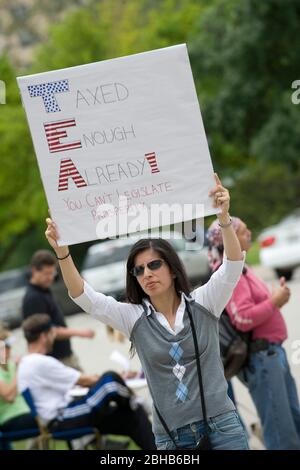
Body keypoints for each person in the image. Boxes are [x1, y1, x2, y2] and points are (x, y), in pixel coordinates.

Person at [44, 173, 249, 450]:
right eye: (138, 270)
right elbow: (85, 297)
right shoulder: (134, 318)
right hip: (171, 437)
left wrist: (224, 218)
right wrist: (63, 253)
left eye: (154, 265)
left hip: (222, 427)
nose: (146, 274)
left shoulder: (204, 302)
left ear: (173, 269)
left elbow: (232, 265)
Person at [207, 216, 300, 450]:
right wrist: (275, 301)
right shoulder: (230, 273)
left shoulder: (243, 268)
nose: (249, 235)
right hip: (262, 359)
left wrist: (274, 297)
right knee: (281, 434)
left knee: (291, 424)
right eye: (243, 232)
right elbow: (243, 317)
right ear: (229, 239)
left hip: (271, 354)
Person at [17, 313, 155, 450]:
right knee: (110, 380)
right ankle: (134, 401)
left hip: (61, 418)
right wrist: (120, 377)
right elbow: (84, 380)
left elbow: (80, 382)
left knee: (131, 417)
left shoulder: (26, 364)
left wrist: (120, 377)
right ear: (44, 336)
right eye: (52, 334)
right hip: (63, 419)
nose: (54, 338)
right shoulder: (40, 362)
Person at [22, 249, 95, 370]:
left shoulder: (44, 291)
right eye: (46, 274)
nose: (50, 278)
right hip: (55, 360)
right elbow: (47, 330)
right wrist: (80, 332)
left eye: (52, 273)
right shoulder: (33, 298)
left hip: (63, 356)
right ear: (34, 270)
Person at [0, 326, 38, 449]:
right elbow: (9, 397)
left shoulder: (11, 365)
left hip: (25, 414)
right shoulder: (14, 367)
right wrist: (19, 370)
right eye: (6, 347)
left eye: (9, 347)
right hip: (9, 420)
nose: (9, 350)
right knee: (51, 418)